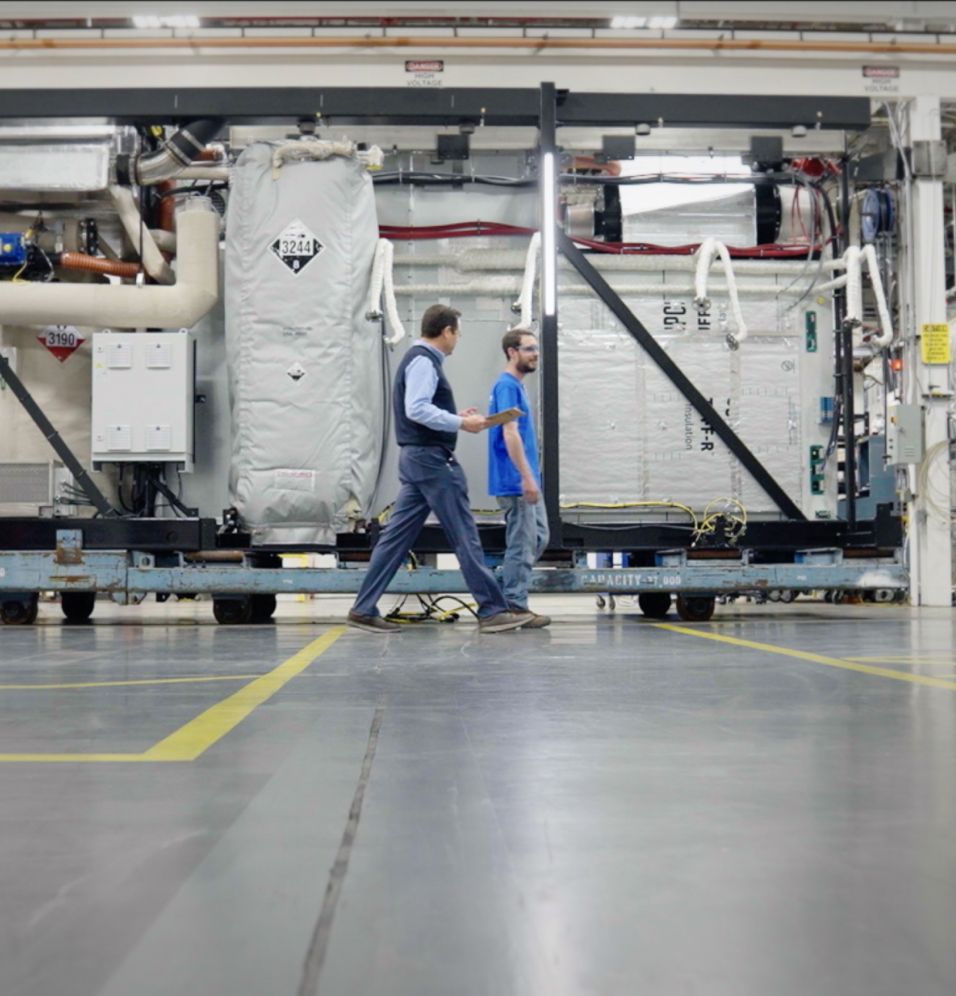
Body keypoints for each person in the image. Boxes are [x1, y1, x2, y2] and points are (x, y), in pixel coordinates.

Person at [348, 304, 533, 634]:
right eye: (457, 333)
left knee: (395, 539)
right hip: (432, 461)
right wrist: (462, 422)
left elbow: (422, 408)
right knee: (464, 535)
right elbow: (416, 409)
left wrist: (455, 416)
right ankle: (492, 610)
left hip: (418, 459)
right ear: (446, 331)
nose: (458, 339)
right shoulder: (423, 360)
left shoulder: (420, 359)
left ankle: (363, 609)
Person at [487, 327, 551, 628]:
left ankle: (508, 590)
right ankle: (514, 605)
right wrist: (526, 477)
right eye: (528, 349)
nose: (535, 353)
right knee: (523, 543)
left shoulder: (515, 386)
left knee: (539, 537)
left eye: (536, 348)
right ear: (512, 352)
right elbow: (509, 433)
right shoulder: (507, 386)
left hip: (525, 479)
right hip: (515, 481)